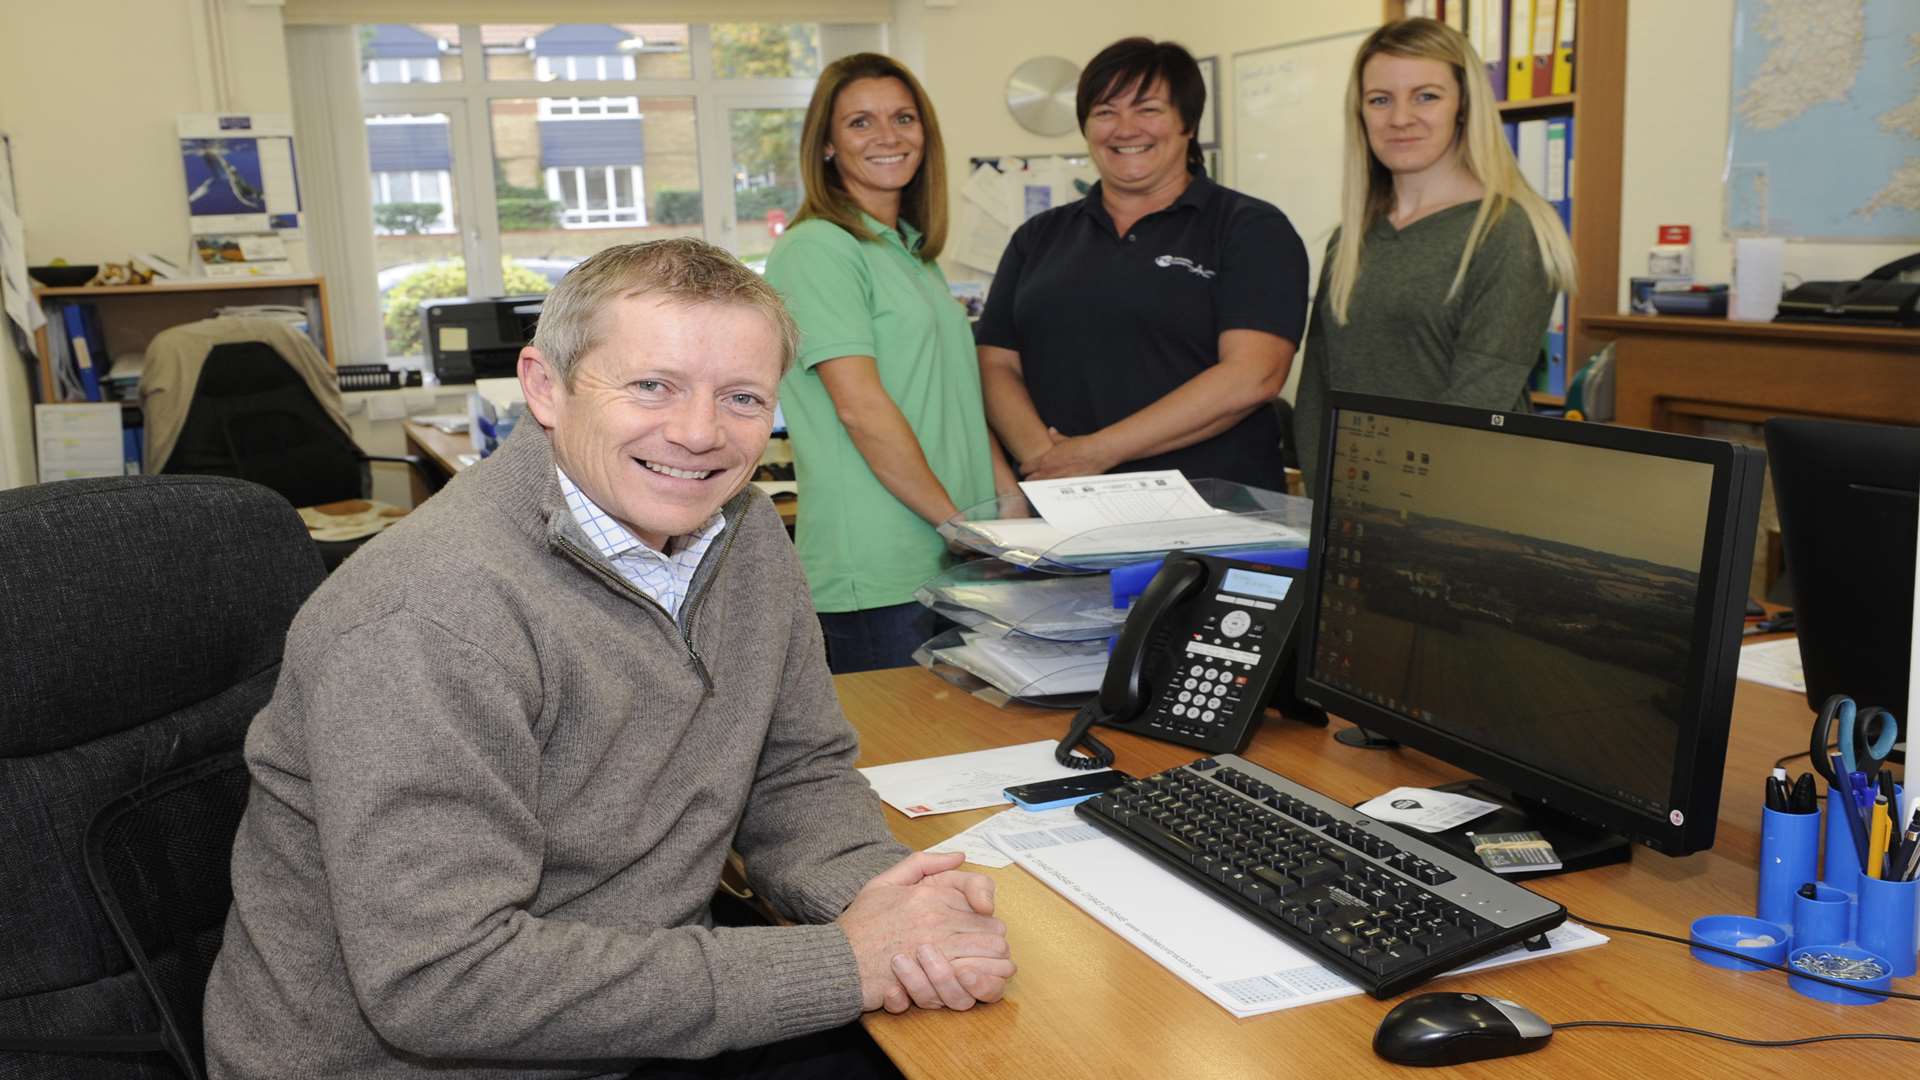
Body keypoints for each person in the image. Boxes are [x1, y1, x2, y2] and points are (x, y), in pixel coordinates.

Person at [203, 239, 1015, 1079]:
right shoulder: (427, 615)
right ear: (545, 387)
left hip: (635, 1007)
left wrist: (890, 900)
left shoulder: (747, 535)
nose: (700, 434)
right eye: (652, 386)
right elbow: (442, 980)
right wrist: (847, 963)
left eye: (741, 397)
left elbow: (795, 772)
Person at [766, 54, 1009, 674]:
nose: (888, 137)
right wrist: (957, 523)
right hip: (881, 567)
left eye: (903, 117)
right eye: (860, 123)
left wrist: (1007, 505)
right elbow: (860, 407)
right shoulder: (818, 248)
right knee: (905, 764)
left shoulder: (911, 253)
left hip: (956, 551)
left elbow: (952, 399)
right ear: (825, 144)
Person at [976, 38, 1309, 489]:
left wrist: (1096, 453)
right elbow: (996, 363)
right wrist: (1047, 460)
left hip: (1212, 517)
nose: (1125, 128)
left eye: (1148, 109)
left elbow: (1254, 375)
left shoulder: (1250, 229)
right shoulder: (1038, 237)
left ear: (1187, 124)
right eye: (1105, 112)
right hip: (1063, 507)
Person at [1292, 17, 1576, 490]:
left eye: (1426, 95)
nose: (1400, 118)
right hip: (1353, 510)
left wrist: (1397, 513)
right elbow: (1317, 394)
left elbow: (1476, 404)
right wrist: (1329, 509)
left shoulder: (1507, 231)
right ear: (1360, 112)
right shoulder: (1350, 239)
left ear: (1463, 106)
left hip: (1463, 505)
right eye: (1380, 100)